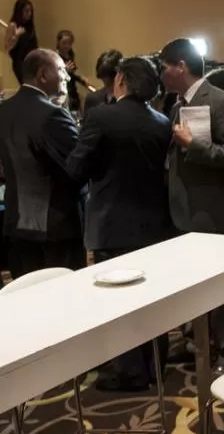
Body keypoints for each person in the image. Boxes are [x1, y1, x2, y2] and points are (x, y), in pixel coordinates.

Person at [66, 55, 174, 391]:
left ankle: (130, 371)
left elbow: (76, 168)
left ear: (121, 81)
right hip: (154, 222)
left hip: (112, 222)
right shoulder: (161, 121)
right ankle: (156, 364)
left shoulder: (100, 117)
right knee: (153, 297)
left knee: (118, 301)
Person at [159, 37, 224, 358]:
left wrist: (192, 144)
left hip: (214, 210)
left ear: (181, 66)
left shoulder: (221, 101)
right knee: (193, 281)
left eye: (164, 67)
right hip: (185, 209)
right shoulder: (178, 105)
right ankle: (198, 343)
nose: (161, 73)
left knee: (223, 285)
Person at [0, 49, 84, 276]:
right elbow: (79, 164)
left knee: (26, 298)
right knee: (64, 301)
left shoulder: (3, 111)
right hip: (55, 225)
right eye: (60, 70)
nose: (66, 77)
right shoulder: (52, 114)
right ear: (43, 74)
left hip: (16, 222)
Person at [3, 0, 38, 85]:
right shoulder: (13, 25)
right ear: (19, 11)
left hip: (32, 61)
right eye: (26, 11)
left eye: (30, 10)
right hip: (20, 63)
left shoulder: (29, 26)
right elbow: (7, 48)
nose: (29, 13)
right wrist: (16, 35)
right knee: (28, 87)